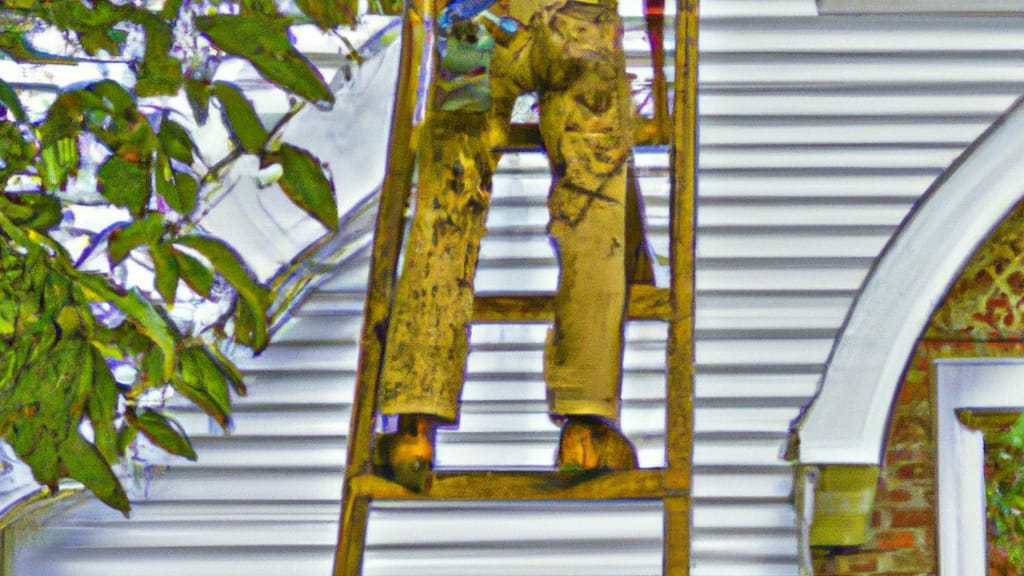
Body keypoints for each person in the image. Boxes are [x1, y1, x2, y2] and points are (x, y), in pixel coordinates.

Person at [376, 0, 638, 491]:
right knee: (592, 197)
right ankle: (586, 420)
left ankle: (414, 420)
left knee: (449, 183)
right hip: (577, 25)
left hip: (475, 28)